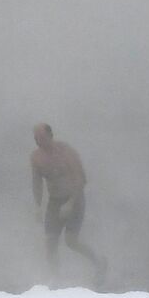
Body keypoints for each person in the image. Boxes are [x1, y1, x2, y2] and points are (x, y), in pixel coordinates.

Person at [30, 123, 106, 286]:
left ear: (51, 136)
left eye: (42, 138)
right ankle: (55, 277)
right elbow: (37, 182)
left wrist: (70, 203)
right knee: (50, 240)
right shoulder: (36, 157)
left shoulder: (66, 152)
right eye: (36, 139)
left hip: (75, 198)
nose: (39, 142)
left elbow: (81, 179)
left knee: (71, 241)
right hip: (55, 201)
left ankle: (98, 261)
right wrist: (38, 206)